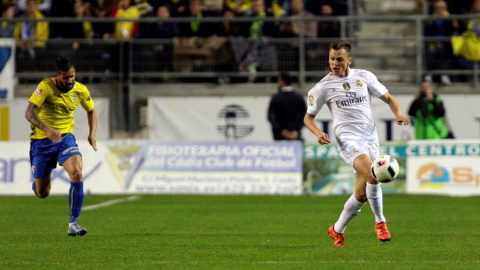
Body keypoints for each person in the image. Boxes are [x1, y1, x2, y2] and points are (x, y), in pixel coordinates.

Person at [303, 40, 410, 247]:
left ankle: (337, 229)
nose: (334, 63)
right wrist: (317, 133)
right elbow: (308, 118)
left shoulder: (364, 77)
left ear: (349, 60)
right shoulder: (322, 87)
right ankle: (380, 223)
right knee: (374, 174)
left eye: (339, 59)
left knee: (361, 195)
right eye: (332, 59)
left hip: (370, 139)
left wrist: (398, 114)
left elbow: (389, 98)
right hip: (348, 140)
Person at [24, 56, 98, 236]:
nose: (70, 80)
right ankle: (38, 181)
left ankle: (73, 223)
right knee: (42, 193)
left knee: (77, 172)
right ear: (57, 76)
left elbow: (91, 110)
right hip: (42, 141)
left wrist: (92, 134)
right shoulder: (45, 87)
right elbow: (29, 113)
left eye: (72, 76)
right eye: (66, 77)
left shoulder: (80, 90)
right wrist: (47, 129)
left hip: (65, 138)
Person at [268, 72, 307, 141]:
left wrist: (281, 131)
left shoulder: (276, 98)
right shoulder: (299, 97)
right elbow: (305, 116)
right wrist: (297, 130)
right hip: (296, 136)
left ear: (281, 81)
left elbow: (271, 116)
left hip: (279, 136)